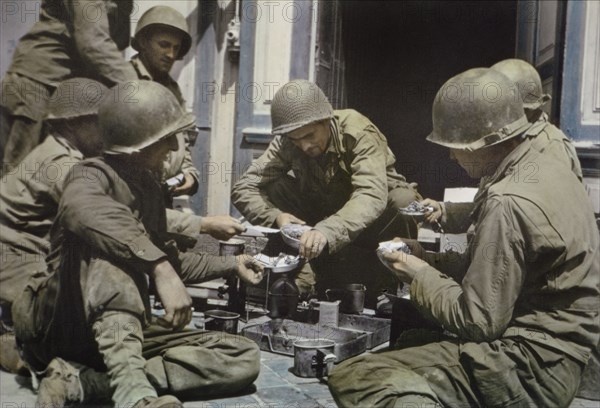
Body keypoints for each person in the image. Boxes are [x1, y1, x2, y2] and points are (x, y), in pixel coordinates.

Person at [328, 68, 599, 406]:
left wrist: (418, 273)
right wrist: (430, 259)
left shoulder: (507, 201)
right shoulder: (547, 163)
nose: (451, 156)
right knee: (410, 341)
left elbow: (478, 322)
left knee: (355, 377)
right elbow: (504, 265)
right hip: (562, 355)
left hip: (530, 368)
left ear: (488, 141)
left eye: (457, 146)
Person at [12, 81, 264, 407]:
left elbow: (171, 258)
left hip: (118, 334)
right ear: (136, 147)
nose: (174, 147)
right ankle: (136, 396)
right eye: (166, 138)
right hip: (60, 328)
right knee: (111, 252)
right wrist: (158, 268)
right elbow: (83, 212)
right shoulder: (88, 174)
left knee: (241, 355)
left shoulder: (147, 185)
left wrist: (232, 263)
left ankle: (84, 385)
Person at [231, 80, 421, 296]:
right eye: (295, 140)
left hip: (372, 221)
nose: (304, 146)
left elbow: (370, 195)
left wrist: (327, 231)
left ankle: (388, 286)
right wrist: (277, 217)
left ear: (326, 120)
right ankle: (299, 267)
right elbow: (243, 187)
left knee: (404, 201)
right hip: (323, 214)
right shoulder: (288, 140)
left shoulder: (358, 132)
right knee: (275, 186)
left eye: (309, 136)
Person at [422, 58, 582, 232]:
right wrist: (445, 211)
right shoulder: (504, 147)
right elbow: (488, 209)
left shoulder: (549, 147)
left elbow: (536, 227)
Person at [0, 78, 107, 327]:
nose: (106, 130)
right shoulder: (61, 164)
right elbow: (106, 215)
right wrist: (200, 224)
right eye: (98, 121)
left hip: (24, 251)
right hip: (11, 258)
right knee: (57, 327)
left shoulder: (61, 152)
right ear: (70, 123)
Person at [1, 0, 137, 171]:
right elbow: (94, 44)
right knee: (20, 174)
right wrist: (139, 90)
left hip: (58, 90)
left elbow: (111, 47)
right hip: (38, 83)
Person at [130, 6, 199, 200]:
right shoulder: (125, 82)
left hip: (164, 193)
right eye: (164, 44)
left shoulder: (172, 88)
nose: (171, 54)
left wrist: (189, 173)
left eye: (176, 48)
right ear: (143, 42)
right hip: (134, 193)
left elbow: (182, 137)